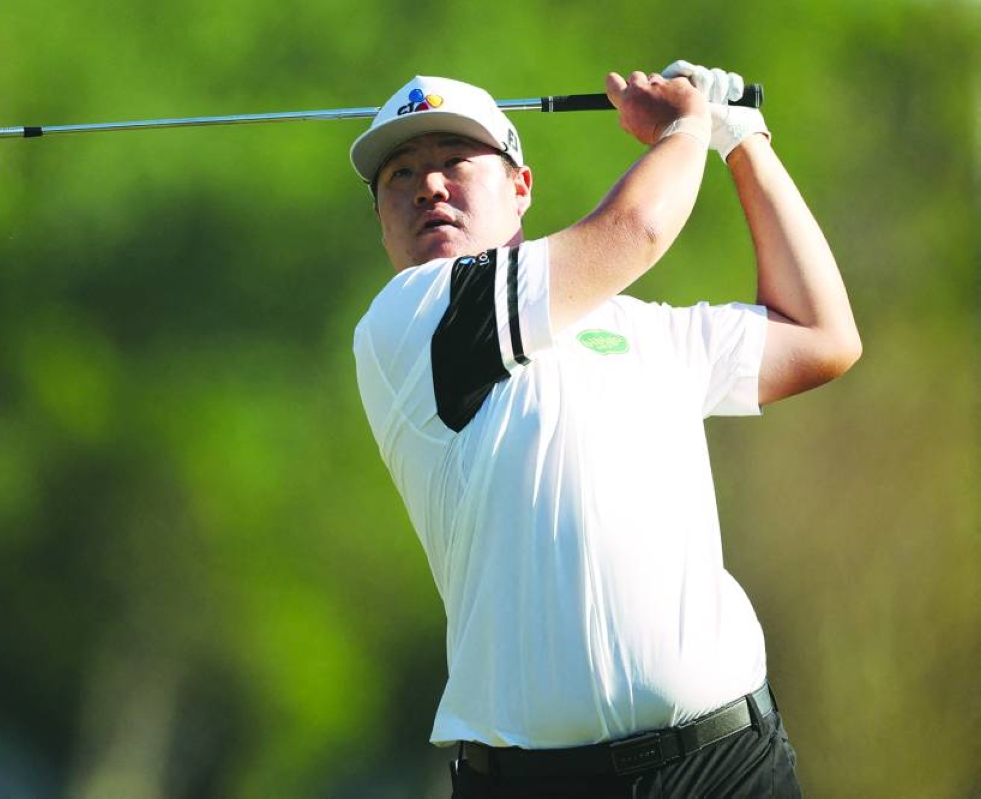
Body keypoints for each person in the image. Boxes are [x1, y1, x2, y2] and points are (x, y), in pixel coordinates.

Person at [350, 62, 861, 798]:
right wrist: (689, 126)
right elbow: (638, 227)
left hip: (724, 764)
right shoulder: (409, 321)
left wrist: (744, 139)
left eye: (456, 161)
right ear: (379, 218)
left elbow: (821, 335)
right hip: (533, 781)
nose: (429, 185)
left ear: (520, 186)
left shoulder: (642, 329)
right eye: (400, 173)